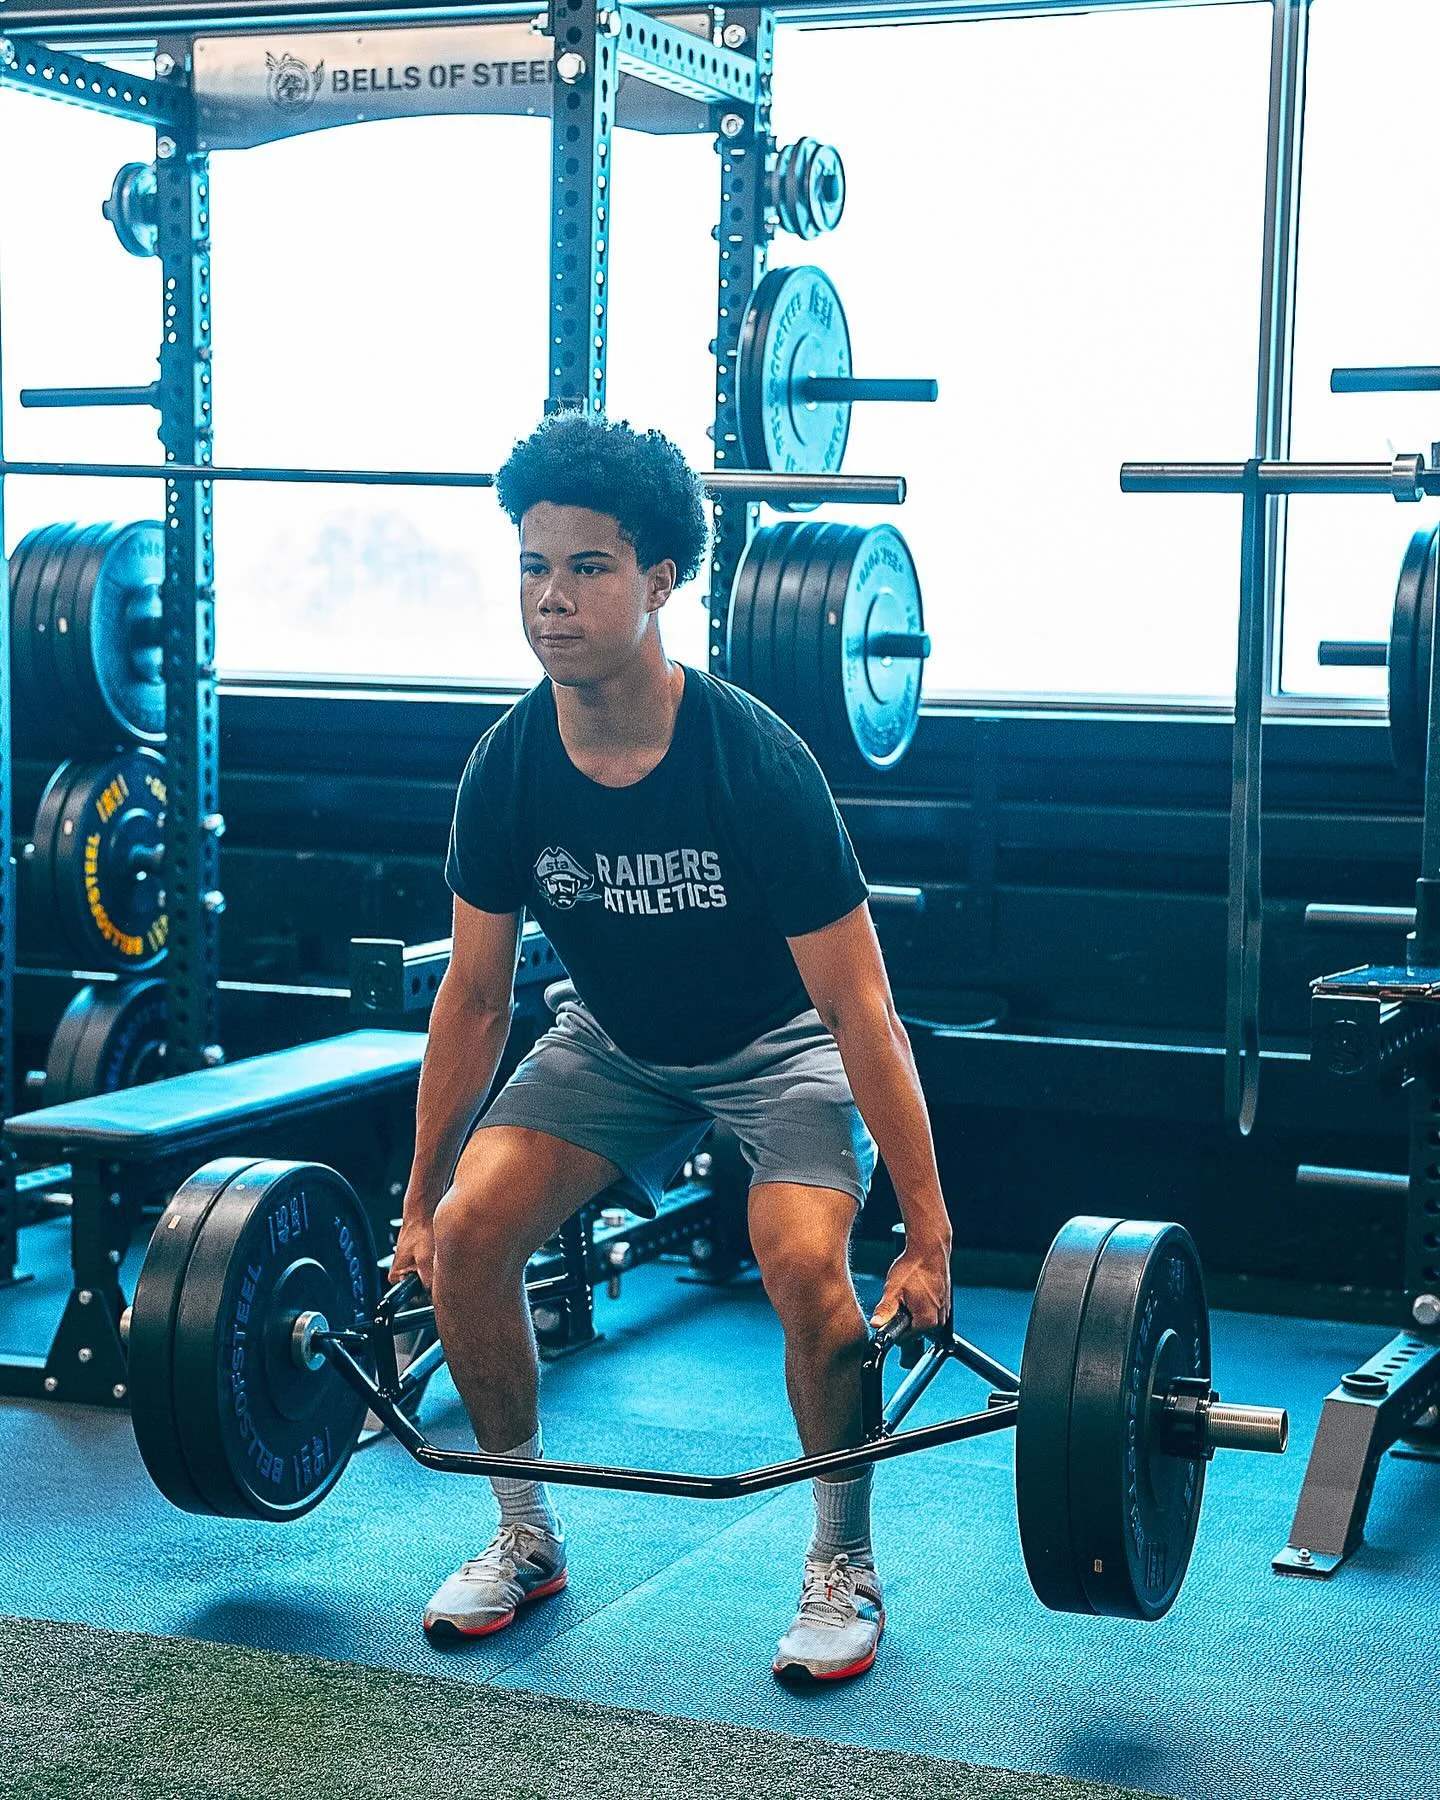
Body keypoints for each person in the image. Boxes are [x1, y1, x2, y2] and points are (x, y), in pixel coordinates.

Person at [390, 412, 952, 1683]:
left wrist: (928, 1233)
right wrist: (418, 1202)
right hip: (618, 1046)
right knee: (473, 1239)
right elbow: (476, 1003)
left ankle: (841, 1559)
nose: (552, 600)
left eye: (587, 569)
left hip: (781, 1045)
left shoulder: (754, 763)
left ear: (658, 582)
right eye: (534, 567)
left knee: (807, 1266)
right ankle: (525, 1536)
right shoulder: (508, 769)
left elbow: (862, 1011)